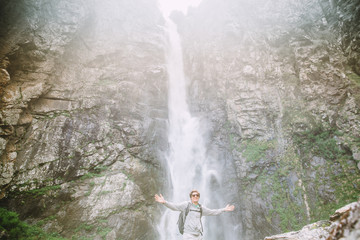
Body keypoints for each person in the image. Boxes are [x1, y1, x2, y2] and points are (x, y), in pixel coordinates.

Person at [154, 190, 235, 240]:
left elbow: (212, 212)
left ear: (199, 197)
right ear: (191, 197)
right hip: (188, 235)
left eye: (197, 195)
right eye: (193, 195)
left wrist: (224, 209)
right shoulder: (186, 205)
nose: (195, 196)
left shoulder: (201, 208)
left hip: (198, 235)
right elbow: (174, 207)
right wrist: (164, 202)